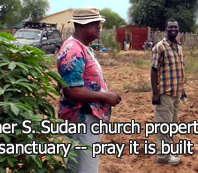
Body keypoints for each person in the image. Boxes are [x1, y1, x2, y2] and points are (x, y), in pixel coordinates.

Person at [56, 8, 122, 173]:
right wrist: (105, 96)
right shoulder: (73, 50)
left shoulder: (82, 48)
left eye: (98, 23)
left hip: (86, 118)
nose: (98, 27)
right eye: (94, 23)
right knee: (83, 168)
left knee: (82, 166)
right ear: (81, 25)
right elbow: (72, 91)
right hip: (81, 118)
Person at [150, 19, 185, 165]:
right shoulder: (160, 47)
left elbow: (178, 71)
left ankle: (168, 152)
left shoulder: (178, 47)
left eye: (175, 27)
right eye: (170, 27)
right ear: (166, 28)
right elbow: (153, 70)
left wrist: (182, 90)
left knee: (171, 124)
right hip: (164, 94)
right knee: (163, 125)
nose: (173, 29)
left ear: (178, 29)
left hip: (176, 93)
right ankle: (163, 157)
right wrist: (155, 93)